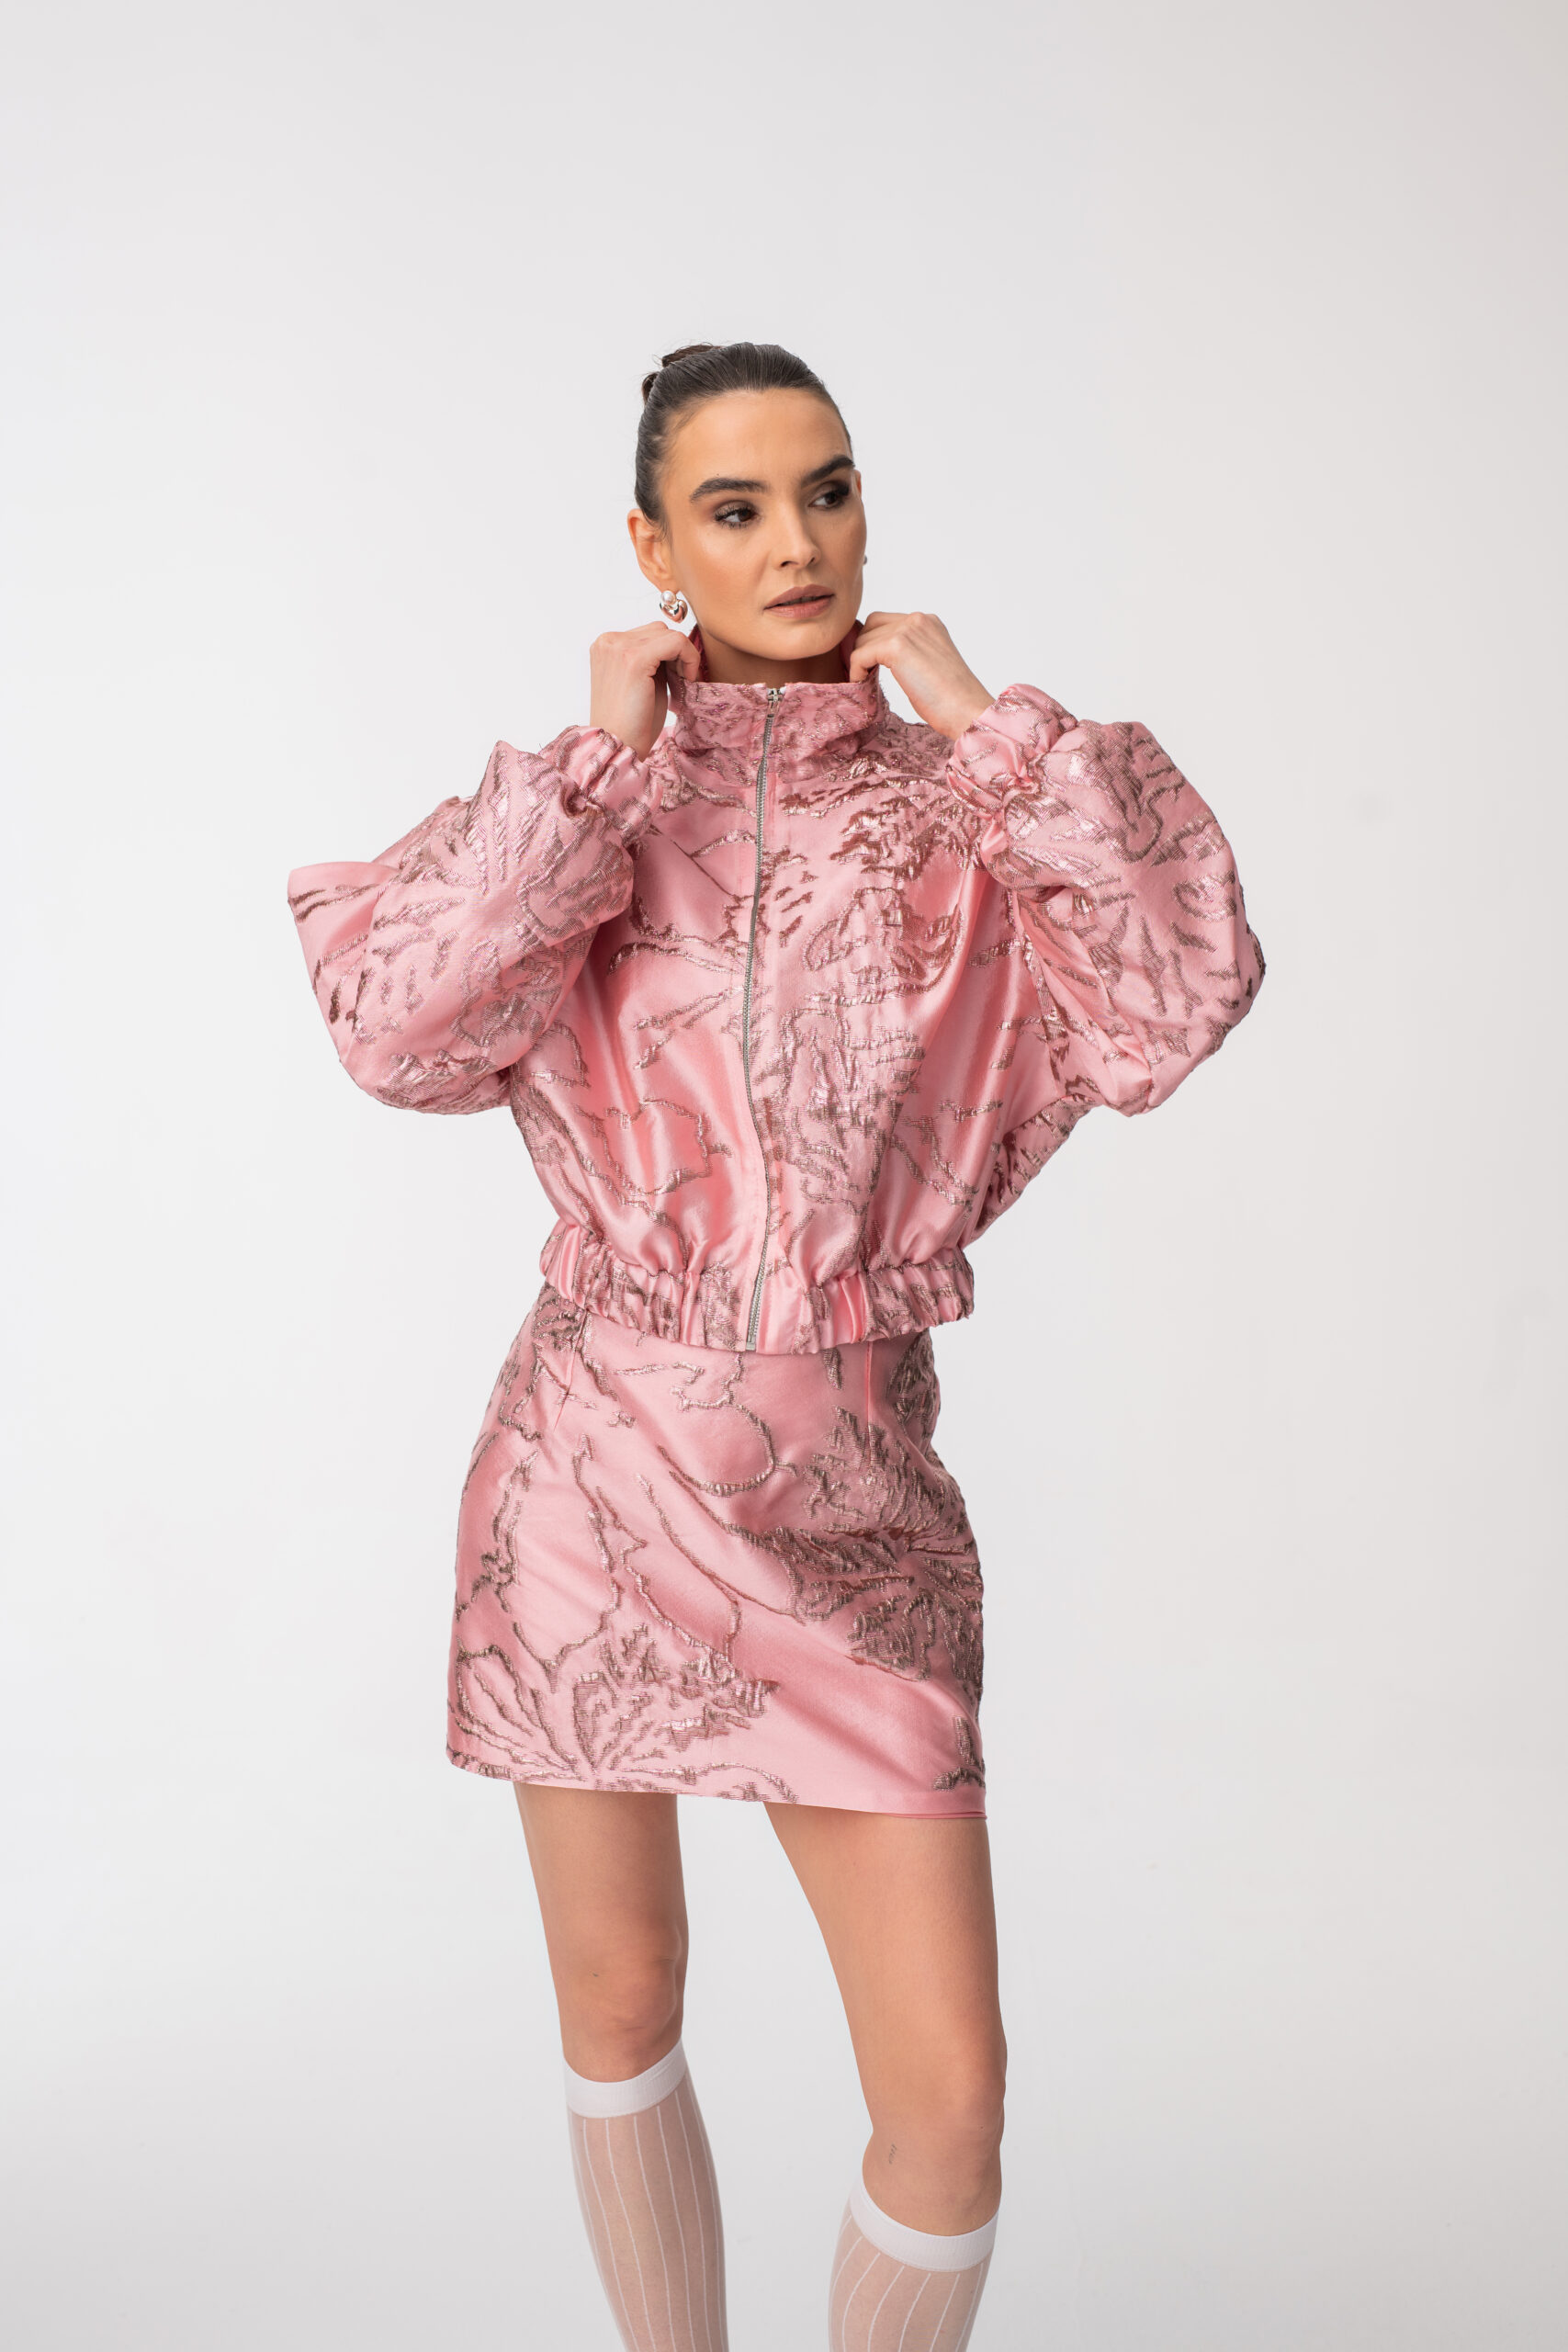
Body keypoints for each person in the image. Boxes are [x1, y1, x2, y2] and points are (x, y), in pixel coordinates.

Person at [286, 340, 1265, 2352]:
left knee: (950, 2106)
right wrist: (586, 776)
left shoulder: (966, 811)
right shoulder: (589, 809)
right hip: (592, 1473)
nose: (795, 541)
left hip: (853, 1497)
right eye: (732, 508)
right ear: (652, 547)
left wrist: (991, 729)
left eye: (826, 490)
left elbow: (1173, 997)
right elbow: (399, 1037)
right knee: (619, 1999)